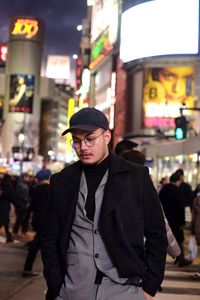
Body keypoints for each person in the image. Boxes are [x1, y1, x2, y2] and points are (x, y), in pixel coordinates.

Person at [40, 107, 167, 300]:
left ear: (106, 136)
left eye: (90, 138)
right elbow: (50, 237)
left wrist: (150, 286)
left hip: (124, 288)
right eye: (76, 140)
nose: (83, 147)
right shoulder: (62, 181)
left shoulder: (136, 177)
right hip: (72, 289)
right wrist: (56, 284)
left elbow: (156, 233)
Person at [23, 168, 51, 276]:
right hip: (47, 221)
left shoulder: (36, 189)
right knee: (43, 245)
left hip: (37, 220)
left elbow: (31, 207)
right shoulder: (49, 190)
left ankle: (27, 268)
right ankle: (28, 269)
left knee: (38, 243)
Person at [159, 172, 192, 267]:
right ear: (178, 180)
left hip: (166, 218)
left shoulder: (163, 189)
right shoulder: (177, 191)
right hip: (176, 220)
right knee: (178, 239)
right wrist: (182, 222)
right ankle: (180, 258)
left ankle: (176, 258)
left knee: (166, 239)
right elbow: (180, 207)